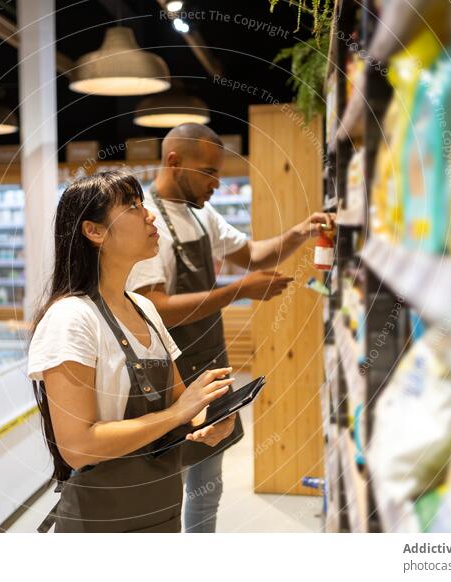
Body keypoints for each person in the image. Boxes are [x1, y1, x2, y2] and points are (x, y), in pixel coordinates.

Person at [127, 123, 336, 533]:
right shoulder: (146, 224)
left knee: (208, 484)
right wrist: (237, 291)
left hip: (211, 366)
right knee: (168, 486)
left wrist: (303, 231)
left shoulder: (202, 216)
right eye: (209, 172)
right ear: (175, 162)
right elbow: (155, 308)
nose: (217, 184)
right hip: (168, 378)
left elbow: (253, 255)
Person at [28, 171, 238, 533]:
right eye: (133, 206)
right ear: (94, 231)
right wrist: (179, 412)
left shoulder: (144, 307)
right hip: (101, 525)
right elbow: (78, 446)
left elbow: (180, 408)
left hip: (162, 512)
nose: (150, 215)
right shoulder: (71, 319)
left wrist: (211, 420)